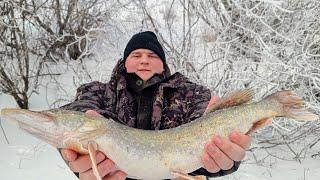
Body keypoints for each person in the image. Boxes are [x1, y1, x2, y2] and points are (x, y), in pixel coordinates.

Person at [60, 31, 251, 180]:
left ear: (163, 65)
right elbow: (77, 110)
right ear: (124, 63)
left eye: (152, 55)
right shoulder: (98, 92)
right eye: (136, 55)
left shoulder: (192, 95)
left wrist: (225, 156)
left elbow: (210, 129)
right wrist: (78, 149)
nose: (144, 60)